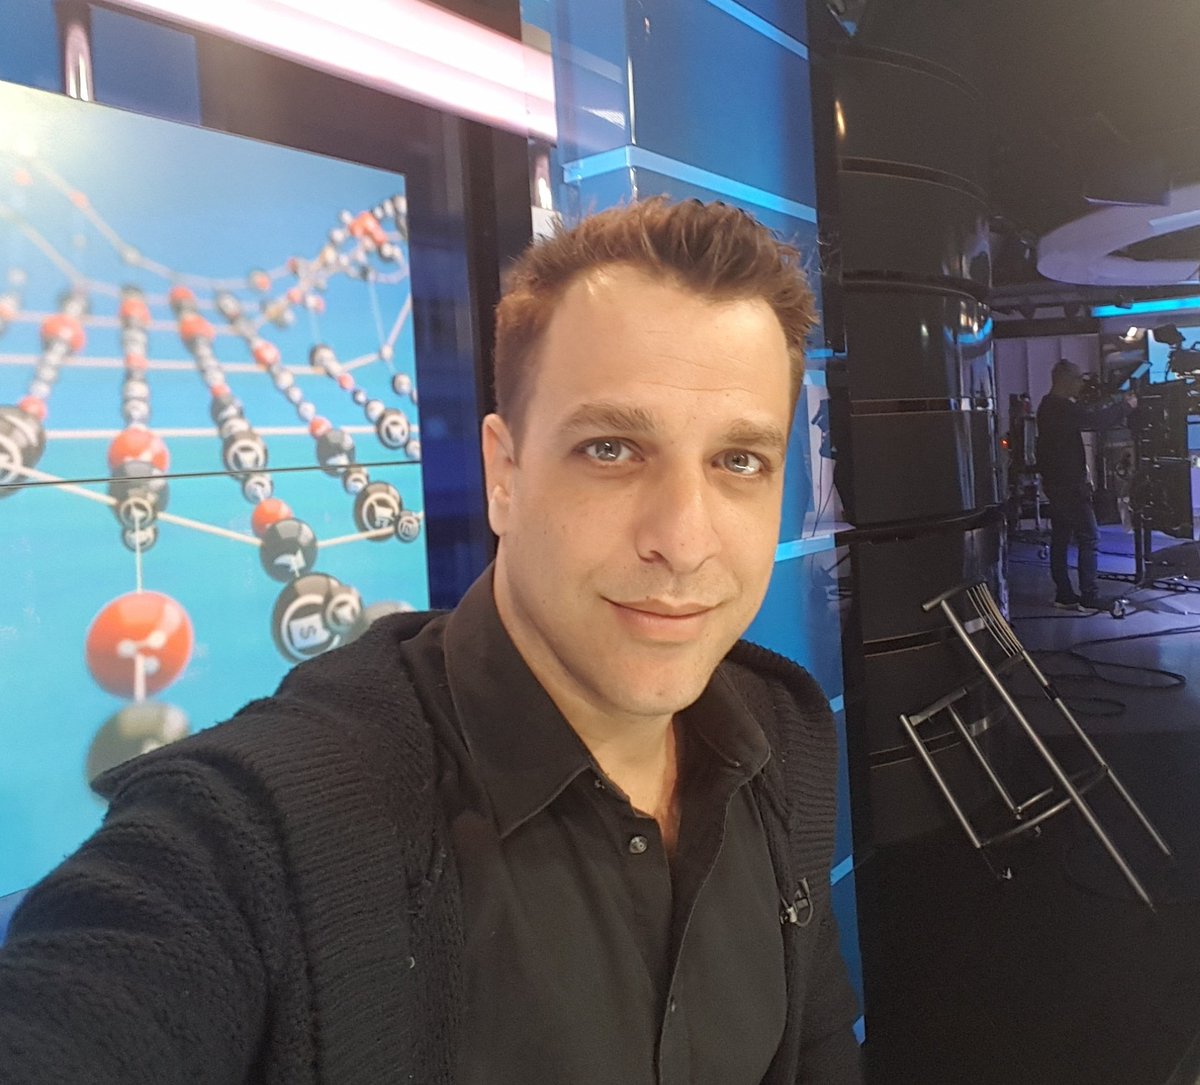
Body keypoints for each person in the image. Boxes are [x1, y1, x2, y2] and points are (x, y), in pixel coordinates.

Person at [0, 199, 863, 1083]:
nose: (683, 540)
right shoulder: (276, 832)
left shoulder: (779, 738)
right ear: (503, 474)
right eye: (611, 448)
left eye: (739, 461)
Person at [1036, 358, 1136, 612]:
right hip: (1069, 485)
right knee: (1089, 536)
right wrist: (1125, 406)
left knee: (1061, 537)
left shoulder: (1047, 405)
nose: (1081, 384)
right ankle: (1089, 597)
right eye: (1079, 379)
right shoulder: (1062, 408)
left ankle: (1064, 594)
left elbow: (1086, 415)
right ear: (1065, 380)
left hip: (1055, 483)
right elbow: (1097, 420)